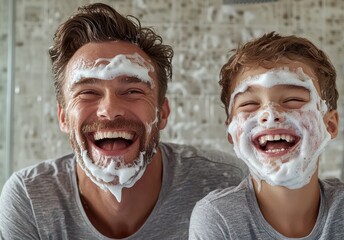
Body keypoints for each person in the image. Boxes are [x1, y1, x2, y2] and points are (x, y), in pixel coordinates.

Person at [0, 3, 246, 239]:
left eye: (132, 91)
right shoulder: (31, 199)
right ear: (63, 116)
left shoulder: (225, 183)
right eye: (88, 92)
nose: (110, 110)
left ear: (162, 113)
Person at [189, 32, 344, 239]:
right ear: (232, 134)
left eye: (293, 99)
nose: (270, 115)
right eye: (249, 104)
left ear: (330, 125)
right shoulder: (218, 218)